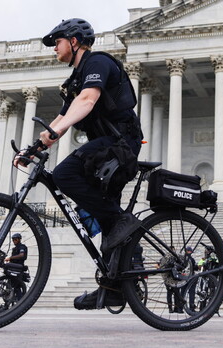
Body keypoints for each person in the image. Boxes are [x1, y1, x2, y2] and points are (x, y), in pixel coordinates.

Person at [20, 18, 142, 310]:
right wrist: (34, 147)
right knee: (105, 217)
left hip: (121, 143)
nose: (54, 49)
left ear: (74, 41)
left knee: (64, 174)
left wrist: (56, 133)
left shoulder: (97, 63)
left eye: (57, 43)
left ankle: (123, 222)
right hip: (106, 148)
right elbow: (63, 117)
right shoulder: (75, 79)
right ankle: (116, 286)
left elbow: (87, 100)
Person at [5, 233, 28, 301]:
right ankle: (8, 303)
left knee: (17, 287)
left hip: (18, 268)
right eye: (13, 239)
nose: (14, 241)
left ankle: (20, 301)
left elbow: (21, 255)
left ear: (19, 239)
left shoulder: (22, 247)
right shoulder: (14, 248)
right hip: (13, 268)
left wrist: (10, 258)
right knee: (11, 286)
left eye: (15, 239)